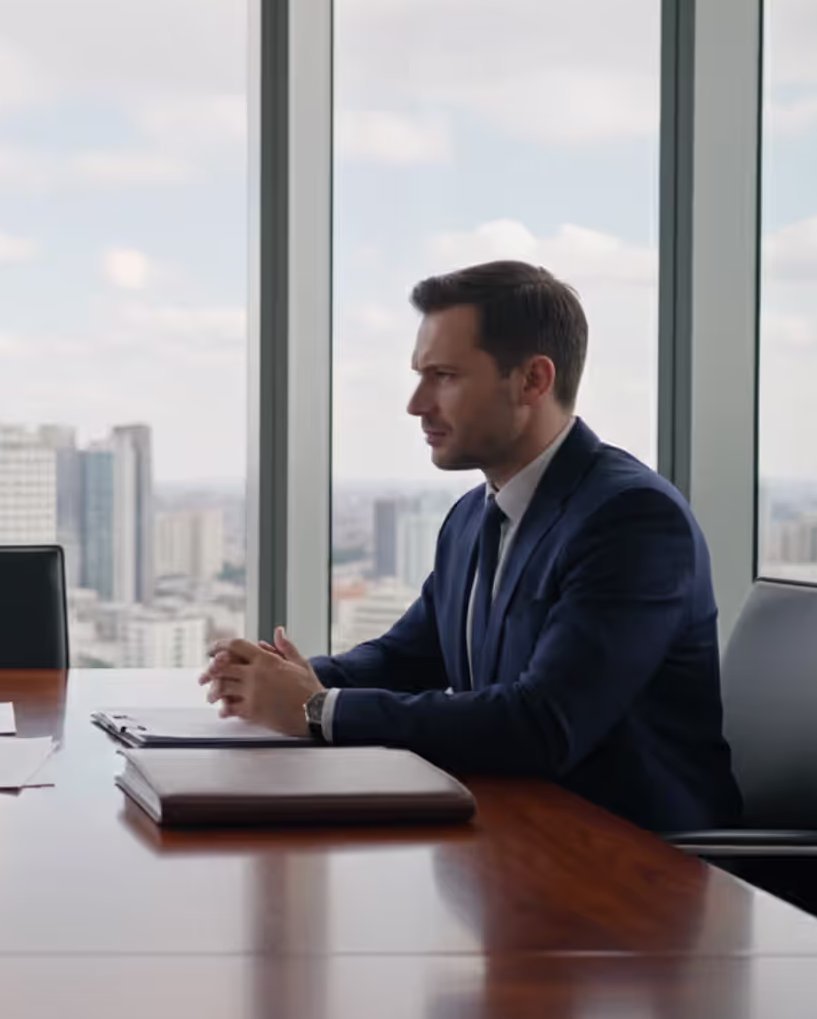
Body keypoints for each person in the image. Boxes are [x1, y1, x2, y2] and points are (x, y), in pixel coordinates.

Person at [200, 260, 740, 832]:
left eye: (445, 376)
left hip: (638, 868)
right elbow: (409, 657)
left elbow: (543, 724)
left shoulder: (631, 520)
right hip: (517, 841)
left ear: (533, 380)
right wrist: (285, 678)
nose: (416, 403)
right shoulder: (471, 516)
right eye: (420, 374)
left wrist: (317, 709)